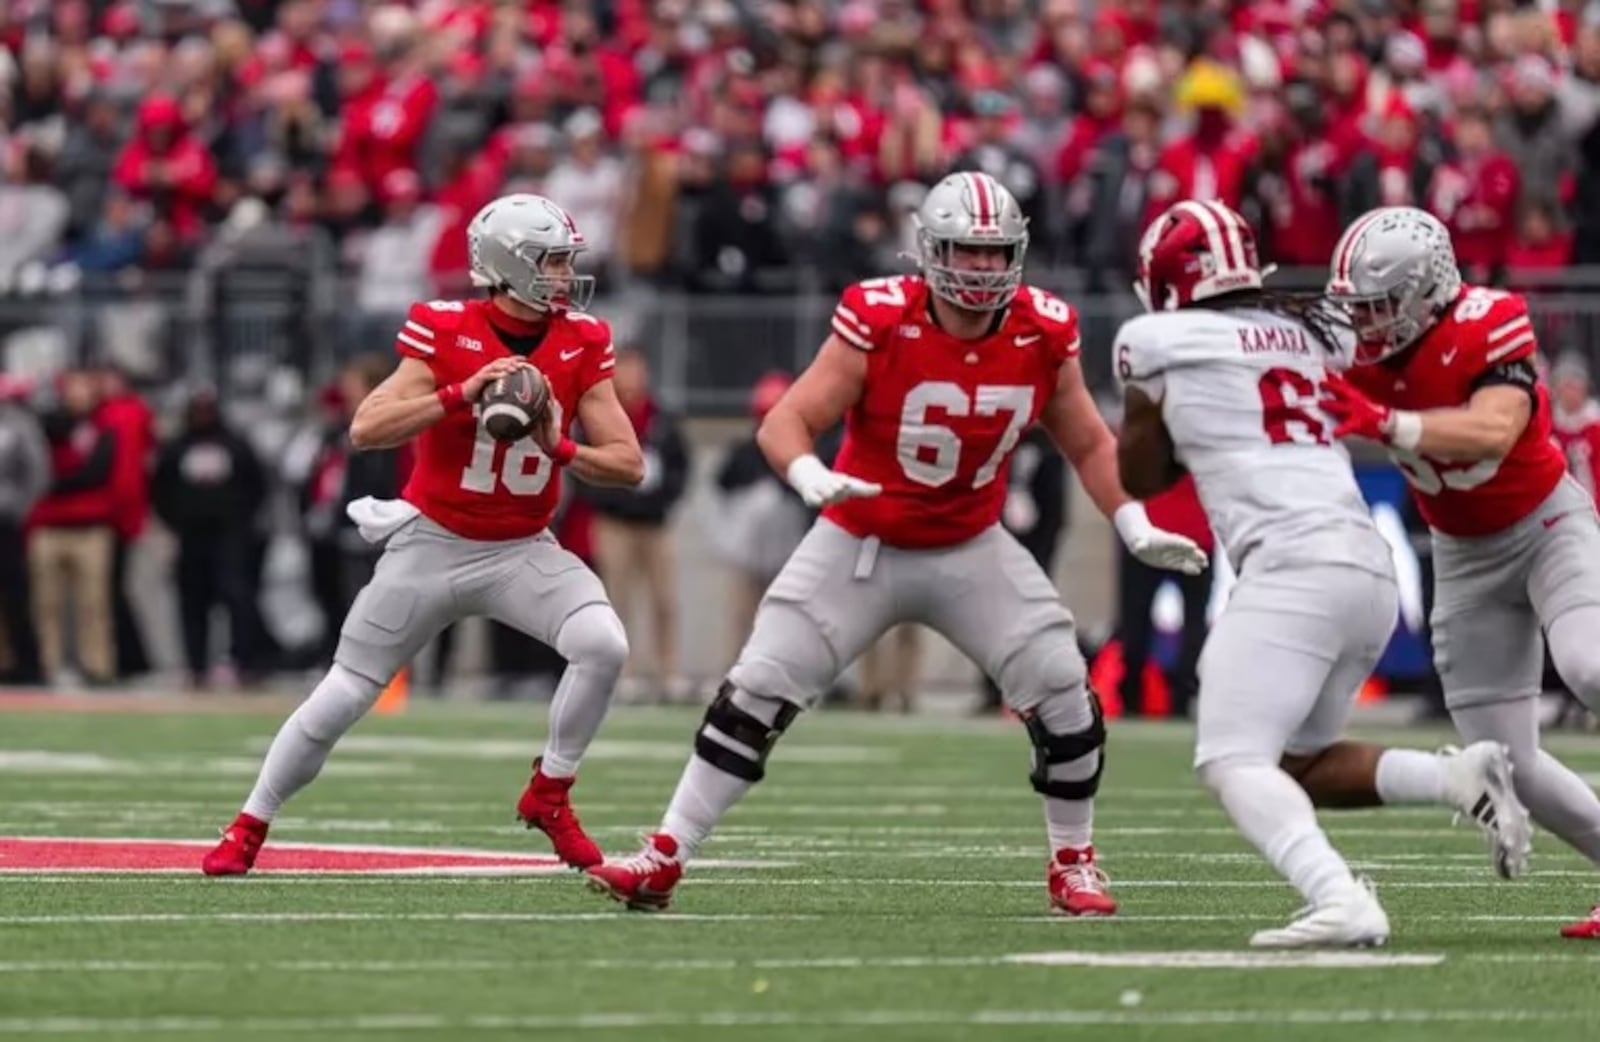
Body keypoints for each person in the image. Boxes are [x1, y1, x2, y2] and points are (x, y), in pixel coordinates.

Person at [587, 171, 1209, 917]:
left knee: (1063, 689)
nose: (980, 269)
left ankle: (1074, 861)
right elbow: (785, 419)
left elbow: (1087, 441)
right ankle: (665, 855)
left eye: (994, 253)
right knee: (756, 689)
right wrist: (810, 472)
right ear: (928, 250)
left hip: (971, 543)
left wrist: (1133, 520)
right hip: (860, 539)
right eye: (964, 252)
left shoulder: (1042, 328)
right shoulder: (879, 316)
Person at [1116, 200, 1530, 948]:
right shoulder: (1317, 328)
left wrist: (1161, 418)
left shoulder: (1155, 339)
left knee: (1231, 756)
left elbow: (1140, 473)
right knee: (1299, 762)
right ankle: (1455, 779)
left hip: (1292, 563)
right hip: (1361, 564)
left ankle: (1339, 897)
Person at [201, 194, 644, 875]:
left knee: (603, 645)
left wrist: (560, 449)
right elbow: (366, 426)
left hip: (523, 547)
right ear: (508, 264)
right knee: (346, 691)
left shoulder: (584, 340)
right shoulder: (445, 328)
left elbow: (628, 465)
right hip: (433, 542)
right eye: (553, 262)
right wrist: (459, 394)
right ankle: (250, 822)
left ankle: (550, 793)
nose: (564, 275)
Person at [1320, 205, 1600, 940]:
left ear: (1427, 291)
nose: (1368, 324)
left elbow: (1495, 426)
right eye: (1361, 308)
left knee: (1591, 666)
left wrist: (1388, 425)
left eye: (1381, 307)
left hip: (1546, 526)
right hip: (1464, 556)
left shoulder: (1491, 318)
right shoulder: (1351, 347)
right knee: (1506, 761)